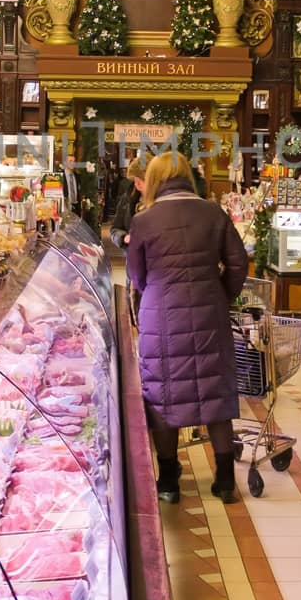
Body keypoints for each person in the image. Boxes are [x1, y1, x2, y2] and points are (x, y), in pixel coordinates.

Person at [126, 150, 248, 505]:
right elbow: (238, 262)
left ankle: (167, 481)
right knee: (216, 394)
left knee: (164, 395)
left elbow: (137, 275)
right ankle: (225, 481)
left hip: (160, 315)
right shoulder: (213, 212)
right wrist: (221, 295)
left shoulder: (145, 220)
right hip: (210, 312)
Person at [110, 158, 145, 249]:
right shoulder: (127, 198)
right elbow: (115, 229)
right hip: (132, 255)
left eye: (140, 180)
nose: (137, 185)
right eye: (135, 181)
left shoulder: (161, 200)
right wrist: (124, 237)